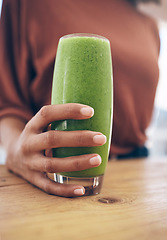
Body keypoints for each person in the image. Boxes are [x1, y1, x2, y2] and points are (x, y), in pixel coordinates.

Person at [0, 0, 160, 197]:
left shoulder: (147, 18)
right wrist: (15, 149)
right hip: (57, 174)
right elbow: (8, 103)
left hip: (139, 172)